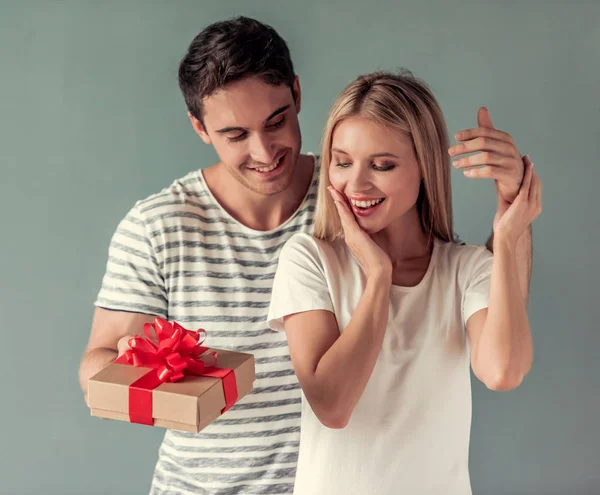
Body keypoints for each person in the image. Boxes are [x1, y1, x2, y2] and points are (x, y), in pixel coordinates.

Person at [78, 17, 535, 495]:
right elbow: (98, 366)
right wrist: (166, 378)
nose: (264, 150)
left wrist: (515, 218)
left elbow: (482, 309)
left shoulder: (359, 198)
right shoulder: (158, 226)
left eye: (276, 121)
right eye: (236, 134)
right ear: (200, 127)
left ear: (297, 94)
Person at [266, 70, 542, 495]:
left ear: (425, 168)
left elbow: (502, 371)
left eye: (382, 165)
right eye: (342, 162)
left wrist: (509, 235)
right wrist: (379, 277)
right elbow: (333, 406)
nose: (356, 184)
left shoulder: (465, 269)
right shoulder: (308, 260)